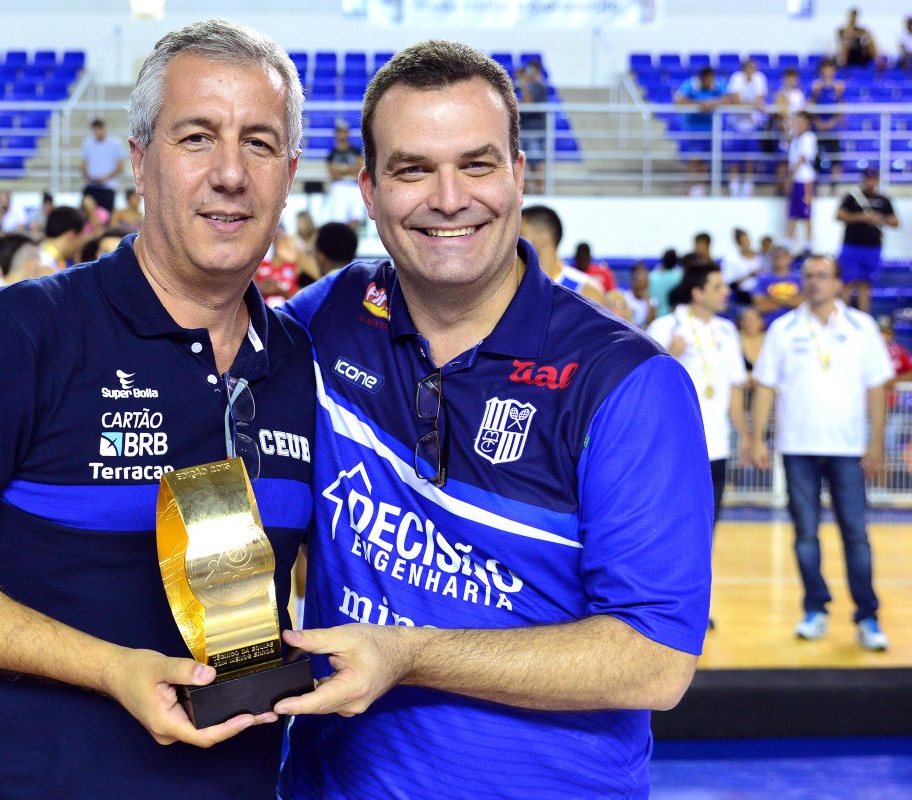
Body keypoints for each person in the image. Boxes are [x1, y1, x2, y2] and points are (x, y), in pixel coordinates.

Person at [0, 19, 314, 799]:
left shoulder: (300, 362)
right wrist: (110, 669)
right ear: (139, 161)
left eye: (260, 144)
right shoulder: (16, 335)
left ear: (290, 171)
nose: (231, 173)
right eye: (197, 138)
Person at [278, 40, 711, 800]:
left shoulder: (628, 383)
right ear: (369, 190)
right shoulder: (332, 314)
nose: (449, 198)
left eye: (476, 164)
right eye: (413, 169)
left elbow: (654, 660)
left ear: (519, 173)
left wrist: (408, 654)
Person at [748, 255, 893, 652]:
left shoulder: (862, 328)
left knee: (856, 535)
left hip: (847, 448)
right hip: (797, 447)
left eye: (823, 276)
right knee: (805, 535)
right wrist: (757, 439)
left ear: (839, 283)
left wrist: (876, 441)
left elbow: (877, 387)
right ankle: (815, 609)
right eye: (809, 275)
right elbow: (765, 386)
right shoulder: (783, 329)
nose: (814, 282)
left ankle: (867, 615)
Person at [647, 265, 749, 629]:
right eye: (718, 286)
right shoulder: (664, 327)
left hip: (716, 448)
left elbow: (734, 389)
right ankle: (658, 605)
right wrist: (669, 355)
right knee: (667, 530)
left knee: (705, 535)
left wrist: (746, 436)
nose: (726, 292)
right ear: (697, 292)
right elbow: (644, 385)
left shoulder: (727, 331)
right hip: (674, 449)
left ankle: (693, 609)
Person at [837, 167, 898, 315]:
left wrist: (881, 219)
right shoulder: (852, 197)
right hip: (852, 247)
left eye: (873, 179)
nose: (870, 182)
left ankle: (864, 319)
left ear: (877, 180)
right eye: (868, 179)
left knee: (866, 284)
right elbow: (839, 215)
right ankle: (841, 318)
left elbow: (895, 222)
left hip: (872, 248)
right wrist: (862, 217)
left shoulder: (883, 200)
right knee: (847, 283)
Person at [520, 204, 605, 304]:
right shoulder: (515, 285)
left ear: (544, 237)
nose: (515, 240)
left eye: (521, 234)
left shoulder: (586, 291)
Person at [674, 66, 729, 195]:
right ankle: (693, 185)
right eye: (707, 80)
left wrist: (712, 103)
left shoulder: (719, 84)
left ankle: (701, 187)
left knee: (705, 160)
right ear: (702, 78)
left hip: (711, 130)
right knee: (694, 159)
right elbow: (678, 100)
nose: (709, 82)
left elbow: (729, 98)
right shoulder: (690, 84)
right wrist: (699, 104)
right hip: (693, 129)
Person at [725, 58, 768, 197]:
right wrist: (753, 104)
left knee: (751, 158)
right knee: (733, 159)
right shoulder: (736, 78)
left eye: (753, 68)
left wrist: (747, 103)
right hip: (735, 126)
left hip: (753, 126)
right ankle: (734, 187)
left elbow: (760, 100)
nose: (751, 71)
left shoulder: (760, 78)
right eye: (748, 68)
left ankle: (748, 187)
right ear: (744, 69)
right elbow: (736, 101)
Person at [878, 315, 912, 482]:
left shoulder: (898, 351)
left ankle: (883, 488)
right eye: (879, 332)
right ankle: (866, 489)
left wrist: (893, 381)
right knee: (862, 450)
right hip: (865, 410)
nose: (883, 336)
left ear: (891, 334)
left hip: (892, 409)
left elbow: (911, 372)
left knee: (889, 449)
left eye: (886, 332)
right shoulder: (864, 352)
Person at [323, 120, 367, 229]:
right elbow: (333, 174)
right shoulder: (332, 154)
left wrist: (342, 170)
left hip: (354, 185)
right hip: (339, 186)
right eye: (339, 132)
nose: (342, 135)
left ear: (347, 133)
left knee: (356, 216)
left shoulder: (355, 151)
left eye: (343, 131)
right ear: (336, 134)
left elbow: (359, 170)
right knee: (339, 218)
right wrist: (350, 170)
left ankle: (351, 237)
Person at [809, 60, 844, 190]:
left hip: (833, 130)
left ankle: (834, 188)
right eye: (825, 68)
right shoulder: (816, 87)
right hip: (817, 130)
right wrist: (818, 122)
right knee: (815, 159)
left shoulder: (839, 87)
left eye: (830, 68)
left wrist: (831, 123)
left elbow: (842, 110)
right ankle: (814, 187)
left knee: (836, 160)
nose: (827, 71)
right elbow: (809, 107)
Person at [786, 112, 817, 252]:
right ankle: (789, 243)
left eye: (801, 121)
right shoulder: (795, 138)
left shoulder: (809, 137)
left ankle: (809, 245)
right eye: (797, 121)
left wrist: (790, 175)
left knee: (806, 212)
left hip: (805, 180)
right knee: (793, 212)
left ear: (807, 123)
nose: (798, 124)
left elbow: (802, 157)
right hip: (797, 179)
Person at [516, 61, 548, 193]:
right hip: (523, 130)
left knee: (536, 161)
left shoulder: (539, 87)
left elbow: (527, 102)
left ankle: (540, 190)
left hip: (535, 131)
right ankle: (527, 190)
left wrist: (524, 84)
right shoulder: (521, 87)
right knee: (523, 162)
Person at [81, 118, 125, 213]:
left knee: (107, 216)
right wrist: (88, 177)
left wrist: (106, 178)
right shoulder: (87, 144)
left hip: (108, 187)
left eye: (99, 129)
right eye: (95, 130)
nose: (97, 132)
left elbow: (121, 167)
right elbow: (84, 165)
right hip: (91, 186)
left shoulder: (116, 144)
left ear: (104, 129)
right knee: (85, 215)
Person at [752, 244, 803, 326]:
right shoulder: (763, 279)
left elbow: (802, 304)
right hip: (770, 324)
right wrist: (791, 300)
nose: (779, 260)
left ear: (789, 258)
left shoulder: (799, 279)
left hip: (796, 324)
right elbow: (760, 306)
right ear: (771, 258)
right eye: (776, 257)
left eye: (782, 256)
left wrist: (771, 299)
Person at [773, 67, 806, 192]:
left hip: (797, 133)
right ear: (784, 79)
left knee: (796, 162)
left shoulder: (799, 95)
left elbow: (802, 114)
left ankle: (793, 188)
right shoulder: (780, 94)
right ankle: (781, 188)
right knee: (783, 162)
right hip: (785, 133)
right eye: (789, 78)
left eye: (794, 78)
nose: (791, 81)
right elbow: (780, 115)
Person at [34, 205, 86, 275]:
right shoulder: (44, 266)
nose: (81, 245)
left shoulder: (48, 257)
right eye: (81, 237)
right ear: (71, 236)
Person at [721, 227, 767, 307]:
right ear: (738, 243)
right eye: (743, 241)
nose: (746, 244)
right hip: (744, 296)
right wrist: (749, 275)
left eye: (747, 240)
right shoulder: (731, 260)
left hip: (763, 292)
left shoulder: (760, 257)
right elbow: (730, 284)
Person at [650, 247, 683, 317]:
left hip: (655, 316)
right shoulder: (680, 277)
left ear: (663, 261)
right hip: (674, 316)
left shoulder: (652, 276)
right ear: (675, 262)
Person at [624, 261, 657, 328]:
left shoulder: (652, 301)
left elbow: (650, 324)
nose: (642, 289)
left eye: (644, 286)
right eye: (640, 284)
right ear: (633, 283)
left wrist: (648, 303)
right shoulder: (625, 298)